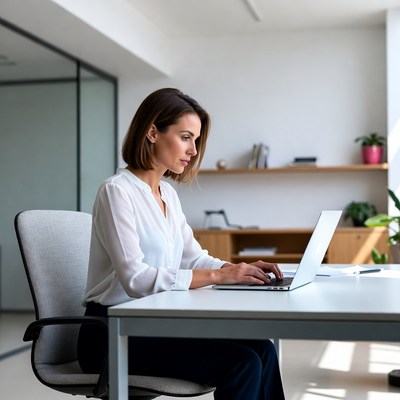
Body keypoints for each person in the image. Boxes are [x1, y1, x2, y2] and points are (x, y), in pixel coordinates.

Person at [77, 88, 286, 400]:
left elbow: (194, 258)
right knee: (241, 363)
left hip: (152, 324)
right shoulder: (116, 191)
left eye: (196, 140)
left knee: (263, 350)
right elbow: (136, 278)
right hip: (111, 333)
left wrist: (235, 269)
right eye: (186, 137)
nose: (193, 150)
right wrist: (219, 277)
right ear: (151, 132)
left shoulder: (168, 195)